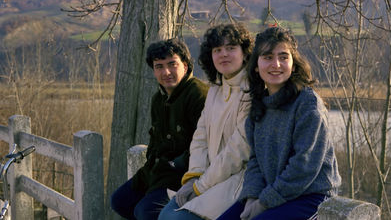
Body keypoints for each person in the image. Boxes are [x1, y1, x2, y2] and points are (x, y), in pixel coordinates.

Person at [217, 26, 342, 220]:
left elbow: (304, 167)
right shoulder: (259, 105)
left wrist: (264, 202)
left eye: (283, 57)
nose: (276, 64)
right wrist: (251, 197)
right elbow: (255, 161)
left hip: (312, 197)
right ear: (256, 66)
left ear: (293, 64)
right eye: (267, 57)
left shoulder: (308, 104)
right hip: (273, 193)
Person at [158, 23, 253, 220]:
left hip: (237, 181)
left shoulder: (252, 93)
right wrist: (194, 175)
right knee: (164, 213)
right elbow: (200, 138)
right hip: (206, 178)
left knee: (173, 218)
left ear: (245, 53)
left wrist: (200, 186)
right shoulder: (215, 90)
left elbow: (237, 152)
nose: (223, 54)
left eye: (231, 48)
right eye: (217, 50)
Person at [110, 38, 209, 220]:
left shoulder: (198, 95)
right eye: (159, 66)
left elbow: (203, 146)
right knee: (120, 201)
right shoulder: (159, 98)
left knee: (145, 211)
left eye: (172, 64)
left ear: (185, 66)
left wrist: (173, 165)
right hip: (156, 171)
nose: (166, 72)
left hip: (182, 175)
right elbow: (156, 142)